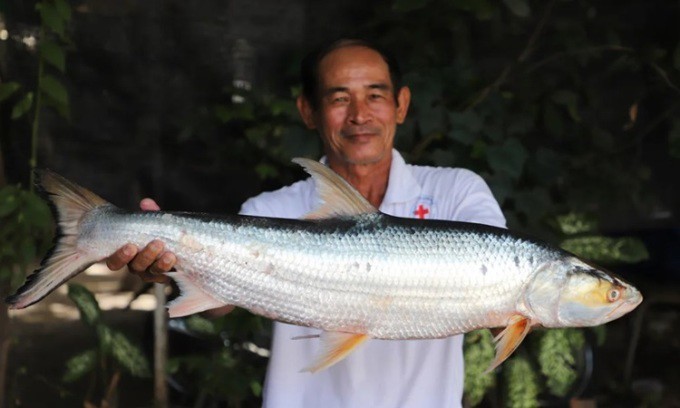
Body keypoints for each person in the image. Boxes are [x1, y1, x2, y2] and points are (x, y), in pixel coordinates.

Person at [106, 38, 506, 407]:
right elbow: (220, 303)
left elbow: (505, 294)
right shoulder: (270, 208)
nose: (359, 115)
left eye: (375, 95)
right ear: (308, 111)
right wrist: (174, 269)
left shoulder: (458, 193)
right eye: (339, 98)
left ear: (401, 104)